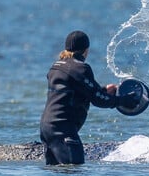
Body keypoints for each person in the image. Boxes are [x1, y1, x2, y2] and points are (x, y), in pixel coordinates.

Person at [40, 30, 140, 165]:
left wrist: (103, 90)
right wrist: (123, 100)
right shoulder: (81, 68)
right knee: (74, 172)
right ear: (86, 50)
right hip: (63, 130)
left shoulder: (56, 67)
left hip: (47, 128)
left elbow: (77, 92)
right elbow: (98, 100)